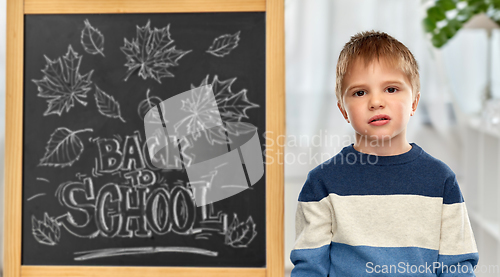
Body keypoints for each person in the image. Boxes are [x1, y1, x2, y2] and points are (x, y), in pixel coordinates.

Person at [290, 30, 479, 276]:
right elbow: (309, 267)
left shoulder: (440, 179)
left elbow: (457, 265)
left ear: (414, 102)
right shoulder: (322, 182)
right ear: (343, 110)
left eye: (391, 89)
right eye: (360, 92)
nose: (376, 102)